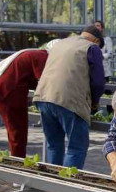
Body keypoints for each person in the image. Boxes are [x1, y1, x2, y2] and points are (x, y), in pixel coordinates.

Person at [32, 26, 105, 168]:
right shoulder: (92, 48)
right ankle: (67, 188)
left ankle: (54, 184)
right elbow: (98, 82)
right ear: (96, 40)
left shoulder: (60, 43)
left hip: (43, 97)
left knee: (54, 144)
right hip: (69, 101)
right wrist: (94, 102)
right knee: (76, 147)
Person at [0, 49, 49, 157]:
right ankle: (17, 161)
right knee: (17, 129)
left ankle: (17, 158)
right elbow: (44, 83)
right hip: (7, 92)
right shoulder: (43, 57)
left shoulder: (33, 53)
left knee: (15, 128)